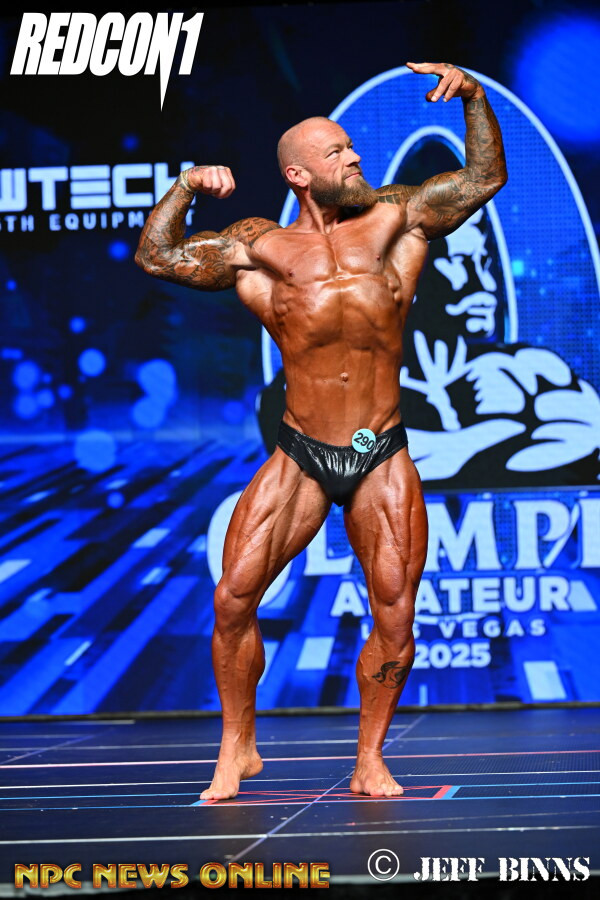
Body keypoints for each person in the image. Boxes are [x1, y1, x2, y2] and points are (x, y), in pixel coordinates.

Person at [135, 61, 507, 799]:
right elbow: (157, 256)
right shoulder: (261, 248)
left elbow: (482, 178)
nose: (355, 158)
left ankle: (369, 758)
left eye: (353, 147)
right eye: (338, 152)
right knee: (232, 599)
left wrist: (472, 95)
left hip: (379, 450)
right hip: (303, 451)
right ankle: (238, 746)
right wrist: (184, 187)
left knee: (395, 615)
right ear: (300, 175)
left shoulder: (398, 218)